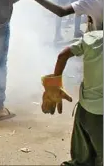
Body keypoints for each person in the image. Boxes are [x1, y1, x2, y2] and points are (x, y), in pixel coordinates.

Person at [41, 30, 102, 166]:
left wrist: (54, 85)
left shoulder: (92, 38)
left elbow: (63, 55)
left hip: (85, 111)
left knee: (81, 159)